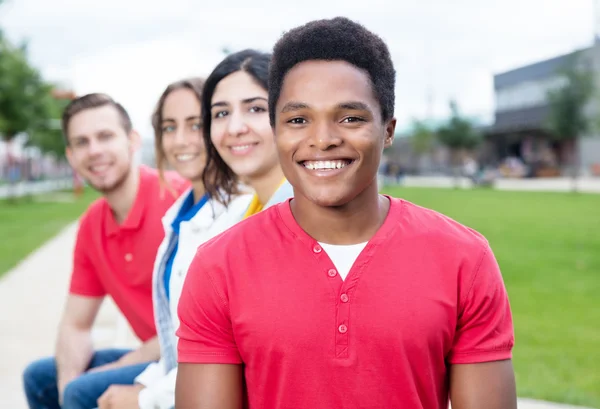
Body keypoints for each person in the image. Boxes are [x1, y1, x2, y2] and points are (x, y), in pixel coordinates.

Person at [175, 17, 517, 409]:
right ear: (275, 129)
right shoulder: (219, 266)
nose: (322, 139)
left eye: (350, 118)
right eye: (298, 120)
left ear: (388, 129)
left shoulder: (464, 258)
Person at [22, 93, 188, 409]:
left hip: (194, 357)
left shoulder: (177, 198)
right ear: (71, 156)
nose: (94, 150)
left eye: (105, 136)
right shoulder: (92, 225)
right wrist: (67, 383)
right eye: (82, 142)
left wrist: (118, 367)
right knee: (42, 378)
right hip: (157, 356)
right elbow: (76, 325)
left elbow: (189, 327)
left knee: (84, 392)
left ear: (132, 140)